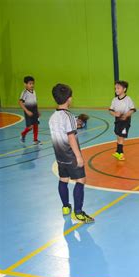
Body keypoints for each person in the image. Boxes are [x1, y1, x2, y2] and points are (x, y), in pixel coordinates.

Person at [49, 83, 94, 223]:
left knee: (63, 179)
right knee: (81, 180)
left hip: (59, 156)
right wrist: (78, 156)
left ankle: (65, 207)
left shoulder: (52, 117)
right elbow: (71, 137)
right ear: (69, 99)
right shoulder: (68, 116)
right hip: (70, 155)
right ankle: (78, 213)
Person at [109, 81, 136, 161]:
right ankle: (118, 152)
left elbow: (133, 109)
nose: (116, 90)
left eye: (118, 88)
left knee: (121, 137)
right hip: (117, 120)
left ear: (124, 89)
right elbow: (110, 110)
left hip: (125, 121)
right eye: (115, 88)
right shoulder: (114, 100)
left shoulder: (128, 99)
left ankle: (121, 153)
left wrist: (126, 115)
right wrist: (114, 113)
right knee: (118, 135)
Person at [19, 76, 42, 144]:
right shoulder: (24, 92)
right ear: (25, 84)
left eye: (33, 83)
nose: (32, 85)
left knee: (36, 125)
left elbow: (35, 101)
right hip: (28, 111)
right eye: (30, 83)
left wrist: (37, 111)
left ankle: (35, 140)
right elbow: (20, 102)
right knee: (30, 127)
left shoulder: (34, 91)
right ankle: (23, 134)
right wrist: (26, 111)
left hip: (34, 110)